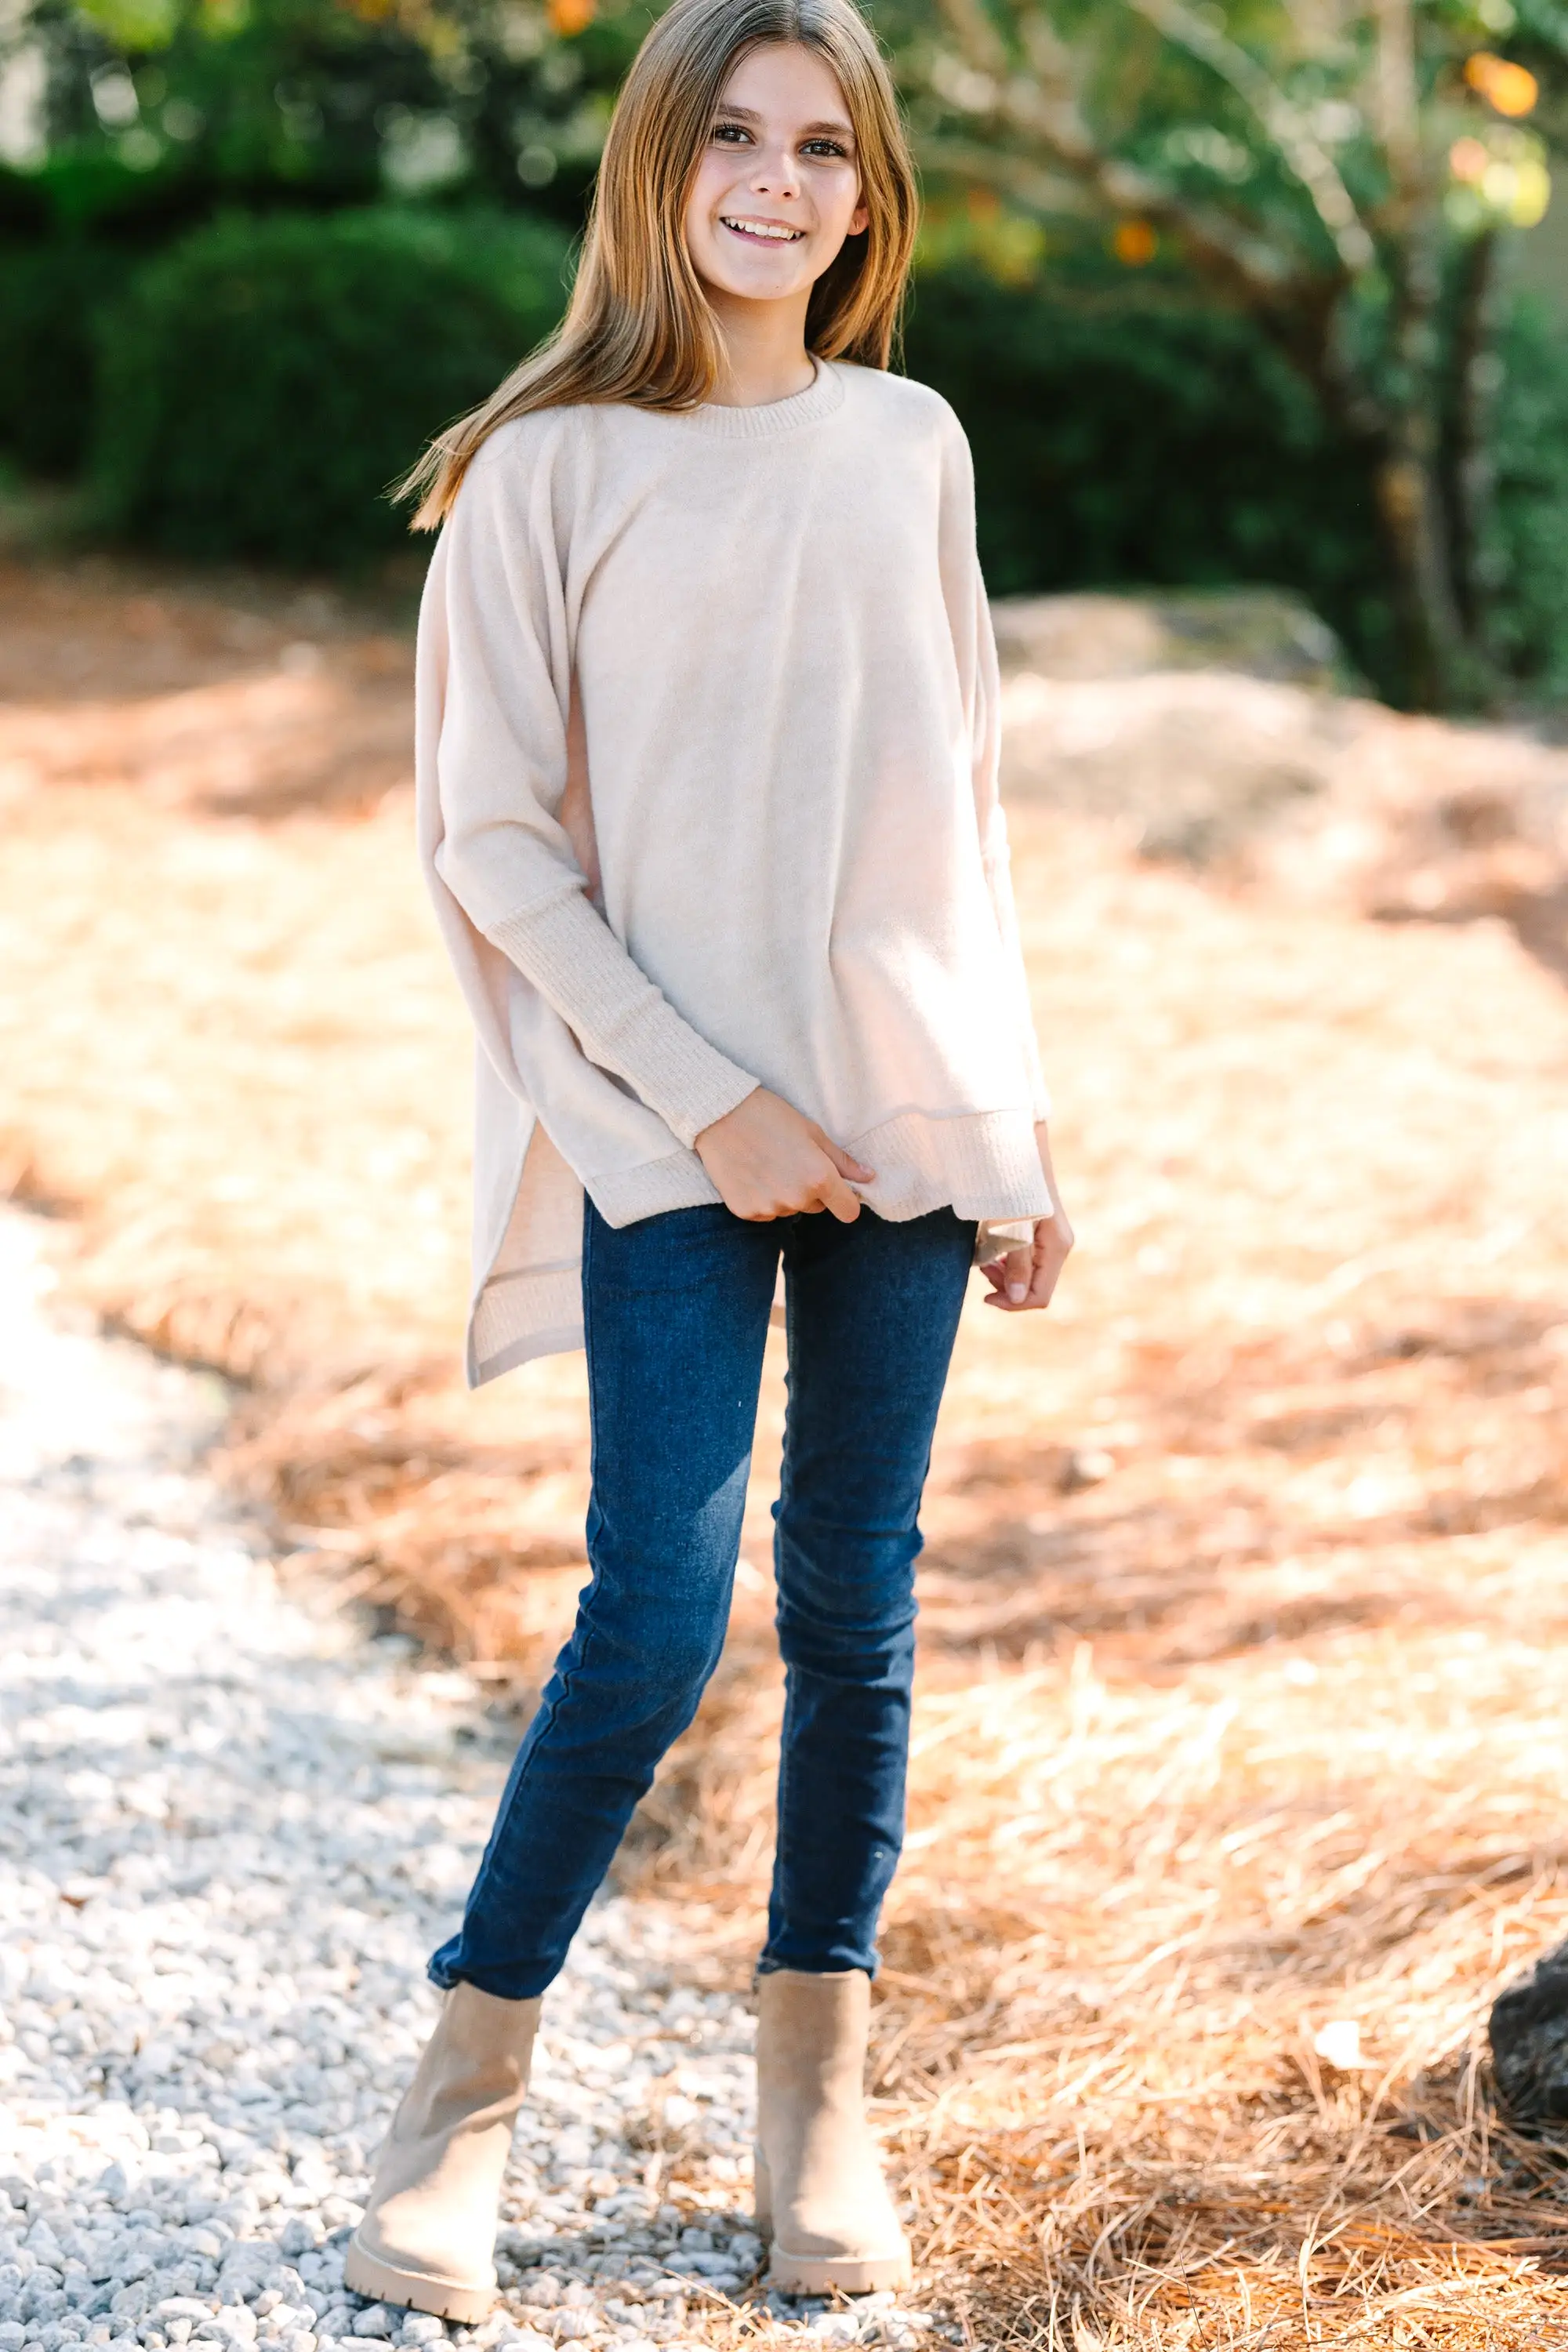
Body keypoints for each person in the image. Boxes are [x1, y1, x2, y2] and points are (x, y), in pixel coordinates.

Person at [343, 0, 1074, 2318]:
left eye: (826, 145)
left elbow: (954, 823)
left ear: (872, 193)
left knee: (858, 1608)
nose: (780, 182)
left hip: (905, 1127)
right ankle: (457, 2107)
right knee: (652, 1623)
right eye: (736, 136)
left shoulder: (910, 443)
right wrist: (706, 1096)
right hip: (667, 1136)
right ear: (658, 167)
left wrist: (1010, 1121)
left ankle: (817, 2111)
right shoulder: (547, 468)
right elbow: (494, 851)